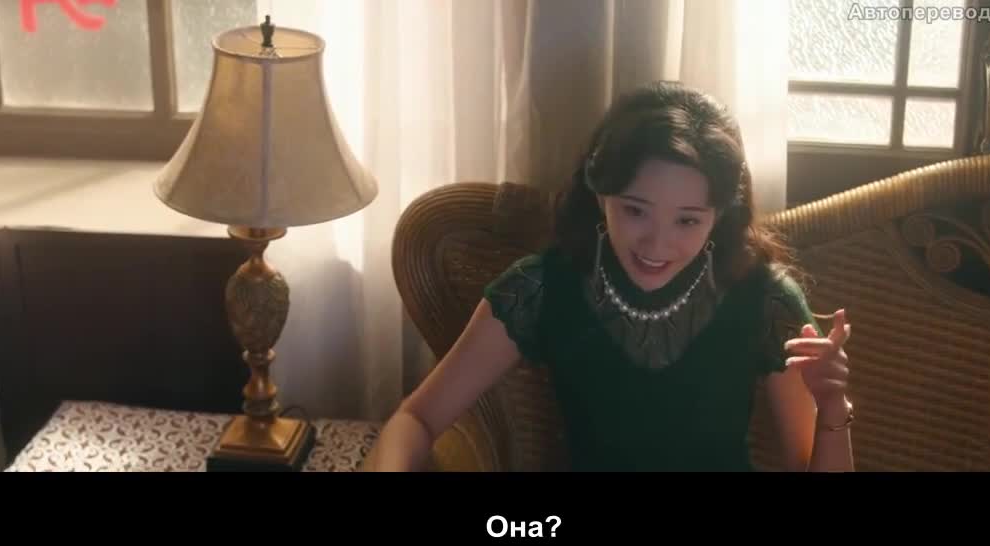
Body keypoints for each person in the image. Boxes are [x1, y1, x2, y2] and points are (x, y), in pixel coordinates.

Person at [362, 81, 854, 472]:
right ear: (600, 194)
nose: (657, 245)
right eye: (635, 211)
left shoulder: (765, 301)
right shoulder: (540, 289)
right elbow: (417, 418)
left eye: (687, 220)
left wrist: (833, 408)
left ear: (720, 216)